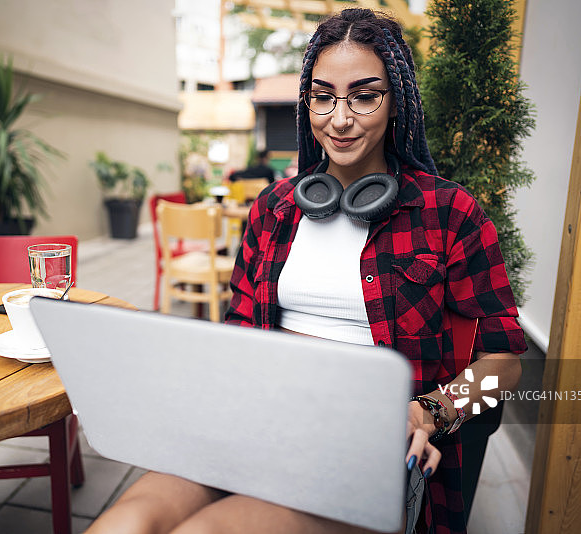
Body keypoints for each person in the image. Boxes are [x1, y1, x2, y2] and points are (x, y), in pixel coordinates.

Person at [88, 8, 526, 534]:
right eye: (323, 97)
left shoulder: (449, 214)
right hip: (257, 421)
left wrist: (432, 411)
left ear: (397, 103)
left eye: (364, 95)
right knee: (128, 523)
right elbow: (240, 336)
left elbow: (504, 361)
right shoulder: (273, 209)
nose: (340, 119)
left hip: (365, 444)